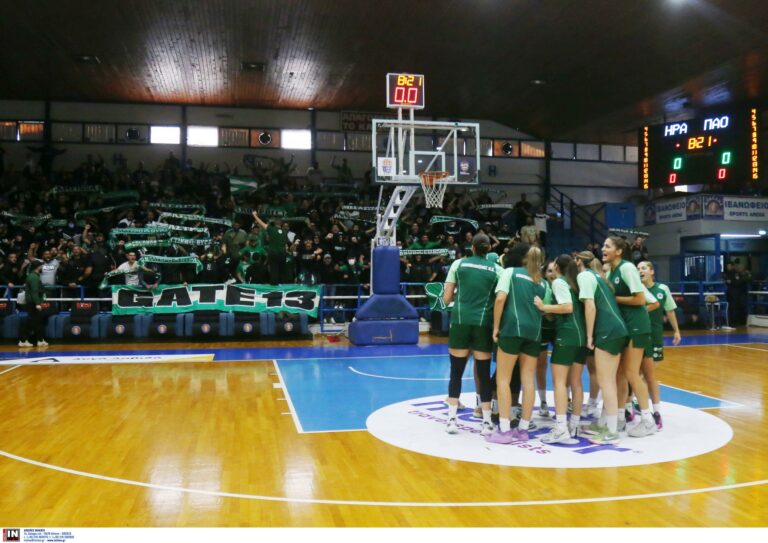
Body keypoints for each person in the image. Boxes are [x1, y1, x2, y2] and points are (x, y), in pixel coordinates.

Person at [442, 233, 503, 436]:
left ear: (472, 247)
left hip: (460, 321)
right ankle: (486, 422)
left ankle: (451, 420)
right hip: (483, 324)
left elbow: (446, 298)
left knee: (456, 372)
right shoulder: (497, 270)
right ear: (488, 250)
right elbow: (501, 298)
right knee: (484, 374)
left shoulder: (458, 264)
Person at [487, 246, 549, 443]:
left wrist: (496, 327)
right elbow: (544, 310)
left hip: (512, 329)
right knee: (528, 381)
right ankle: (523, 430)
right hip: (534, 333)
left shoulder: (510, 272)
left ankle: (505, 430)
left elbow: (500, 299)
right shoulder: (544, 283)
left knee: (503, 379)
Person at [603, 236, 660, 438]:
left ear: (619, 251)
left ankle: (648, 421)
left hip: (637, 326)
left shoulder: (627, 268)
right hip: (625, 327)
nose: (603, 249)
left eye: (607, 246)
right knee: (620, 373)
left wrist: (613, 298)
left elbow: (640, 299)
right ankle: (620, 418)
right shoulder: (612, 271)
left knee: (631, 373)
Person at [575, 250, 628, 445]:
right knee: (609, 381)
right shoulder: (599, 276)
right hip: (616, 328)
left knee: (607, 383)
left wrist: (589, 336)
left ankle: (612, 432)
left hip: (608, 330)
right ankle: (604, 424)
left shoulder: (584, 276)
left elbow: (590, 306)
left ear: (579, 261)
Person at [534, 254, 587, 442]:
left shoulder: (558, 282)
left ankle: (561, 428)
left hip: (567, 336)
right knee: (576, 382)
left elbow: (567, 307)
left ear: (557, 267)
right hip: (581, 338)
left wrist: (544, 306)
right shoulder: (576, 283)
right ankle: (575, 425)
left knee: (559, 383)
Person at [638, 260, 682, 430]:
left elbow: (669, 310)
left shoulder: (662, 289)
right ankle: (635, 405)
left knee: (647, 374)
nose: (640, 271)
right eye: (638, 268)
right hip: (637, 335)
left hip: (655, 336)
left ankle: (653, 411)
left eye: (643, 268)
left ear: (651, 271)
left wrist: (676, 330)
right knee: (634, 373)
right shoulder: (635, 289)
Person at [252, 211, 289, 285]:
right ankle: (283, 288)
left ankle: (274, 288)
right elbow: (286, 246)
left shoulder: (271, 229)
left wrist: (254, 215)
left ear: (274, 222)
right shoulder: (285, 232)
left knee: (274, 272)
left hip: (273, 253)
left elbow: (261, 223)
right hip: (282, 254)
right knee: (282, 272)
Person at [18, 260, 48, 348]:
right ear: (38, 267)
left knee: (37, 322)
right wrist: (37, 303)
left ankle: (40, 340)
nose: (42, 267)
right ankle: (23, 341)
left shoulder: (34, 276)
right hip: (33, 303)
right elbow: (34, 292)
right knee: (31, 322)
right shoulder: (34, 277)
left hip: (33, 302)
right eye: (41, 266)